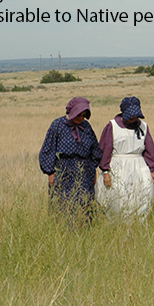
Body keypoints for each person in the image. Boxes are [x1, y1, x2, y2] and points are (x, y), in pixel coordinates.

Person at [39, 97, 103, 228]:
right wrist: (50, 172)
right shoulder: (57, 125)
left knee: (85, 205)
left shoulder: (86, 127)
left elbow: (95, 149)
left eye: (84, 115)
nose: (81, 118)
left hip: (85, 171)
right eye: (78, 114)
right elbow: (48, 148)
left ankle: (84, 234)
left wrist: (93, 168)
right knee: (63, 205)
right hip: (64, 171)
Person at [96, 96, 154, 221]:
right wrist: (106, 171)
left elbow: (149, 150)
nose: (134, 119)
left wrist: (150, 170)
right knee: (118, 198)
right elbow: (105, 149)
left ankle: (137, 227)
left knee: (141, 197)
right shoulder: (112, 126)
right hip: (118, 167)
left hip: (139, 167)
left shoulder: (143, 127)